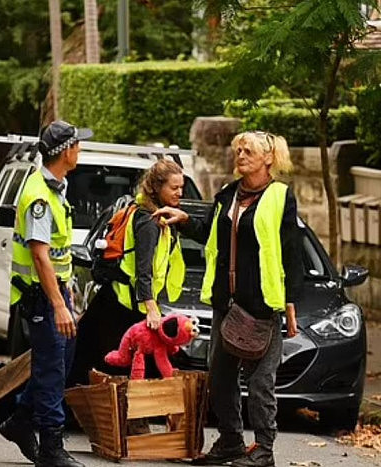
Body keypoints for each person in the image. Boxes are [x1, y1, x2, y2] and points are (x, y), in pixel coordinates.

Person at [154, 131, 303, 467]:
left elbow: (292, 254)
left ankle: (264, 449)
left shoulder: (280, 197)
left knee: (261, 381)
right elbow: (211, 231)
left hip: (262, 304)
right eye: (238, 150)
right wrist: (185, 221)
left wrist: (291, 303)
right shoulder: (227, 195)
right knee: (220, 377)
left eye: (248, 150)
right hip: (226, 302)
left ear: (268, 158)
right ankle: (231, 441)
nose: (240, 155)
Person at [69, 159, 187, 434]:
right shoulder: (148, 222)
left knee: (105, 363)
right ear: (157, 187)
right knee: (124, 367)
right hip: (125, 305)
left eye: (182, 187)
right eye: (174, 187)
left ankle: (111, 421)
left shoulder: (147, 212)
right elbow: (143, 270)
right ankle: (126, 424)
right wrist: (151, 308)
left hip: (117, 301)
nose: (180, 193)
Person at [0, 120, 90, 467]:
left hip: (56, 293)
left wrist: (69, 298)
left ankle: (21, 421)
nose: (80, 150)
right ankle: (52, 447)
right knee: (51, 368)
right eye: (78, 145)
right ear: (65, 151)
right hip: (41, 296)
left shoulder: (56, 188)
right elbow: (39, 254)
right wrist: (58, 305)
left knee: (60, 363)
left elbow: (58, 254)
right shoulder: (39, 195)